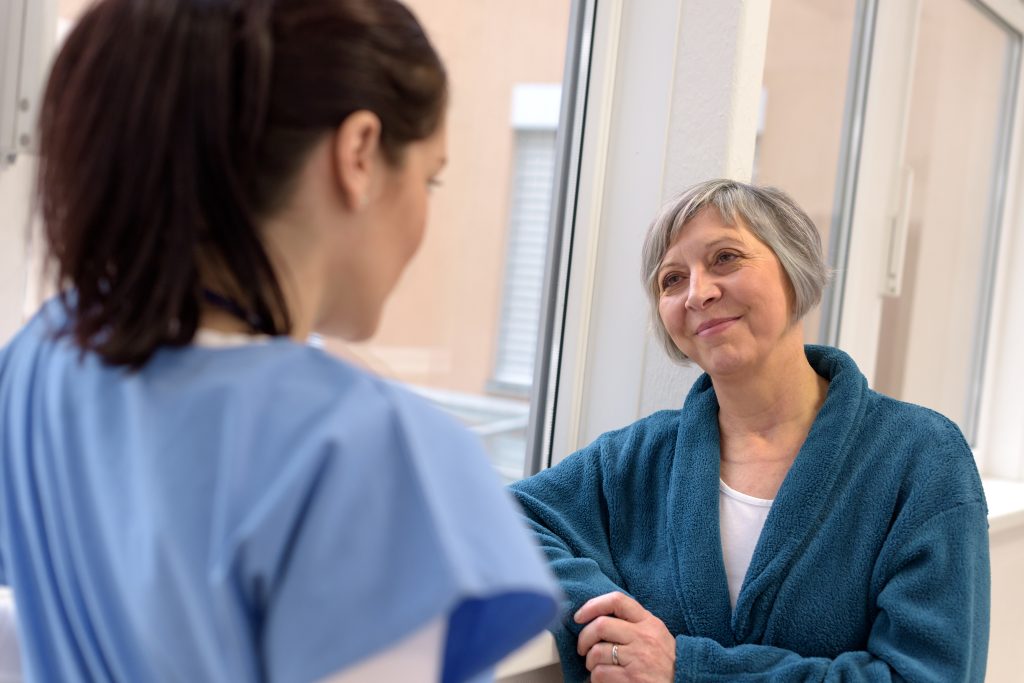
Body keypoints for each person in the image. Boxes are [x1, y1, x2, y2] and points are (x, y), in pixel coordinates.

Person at [0, 0, 559, 681]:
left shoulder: (42, 355)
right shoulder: (372, 452)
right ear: (358, 153)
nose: (424, 218)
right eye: (430, 177)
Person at [510, 179, 990, 682]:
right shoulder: (636, 458)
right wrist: (606, 615)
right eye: (672, 279)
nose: (699, 292)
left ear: (793, 267)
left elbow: (930, 674)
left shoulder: (920, 456)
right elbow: (497, 518)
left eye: (725, 258)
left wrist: (688, 668)